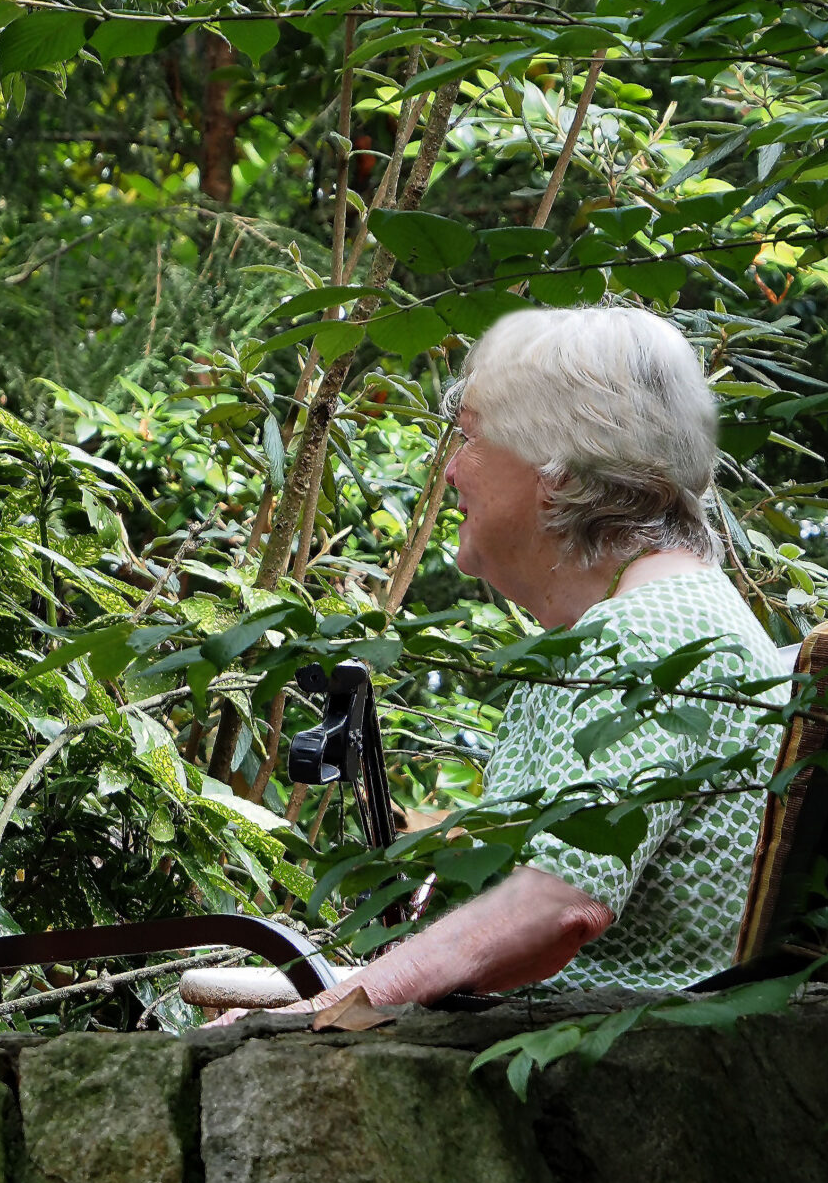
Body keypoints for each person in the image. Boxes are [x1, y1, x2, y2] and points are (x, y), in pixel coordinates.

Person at [283, 305, 779, 1014]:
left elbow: (554, 903)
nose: (451, 470)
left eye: (471, 438)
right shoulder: (669, 616)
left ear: (559, 461)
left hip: (610, 1082)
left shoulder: (651, 636)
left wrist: (327, 1010)